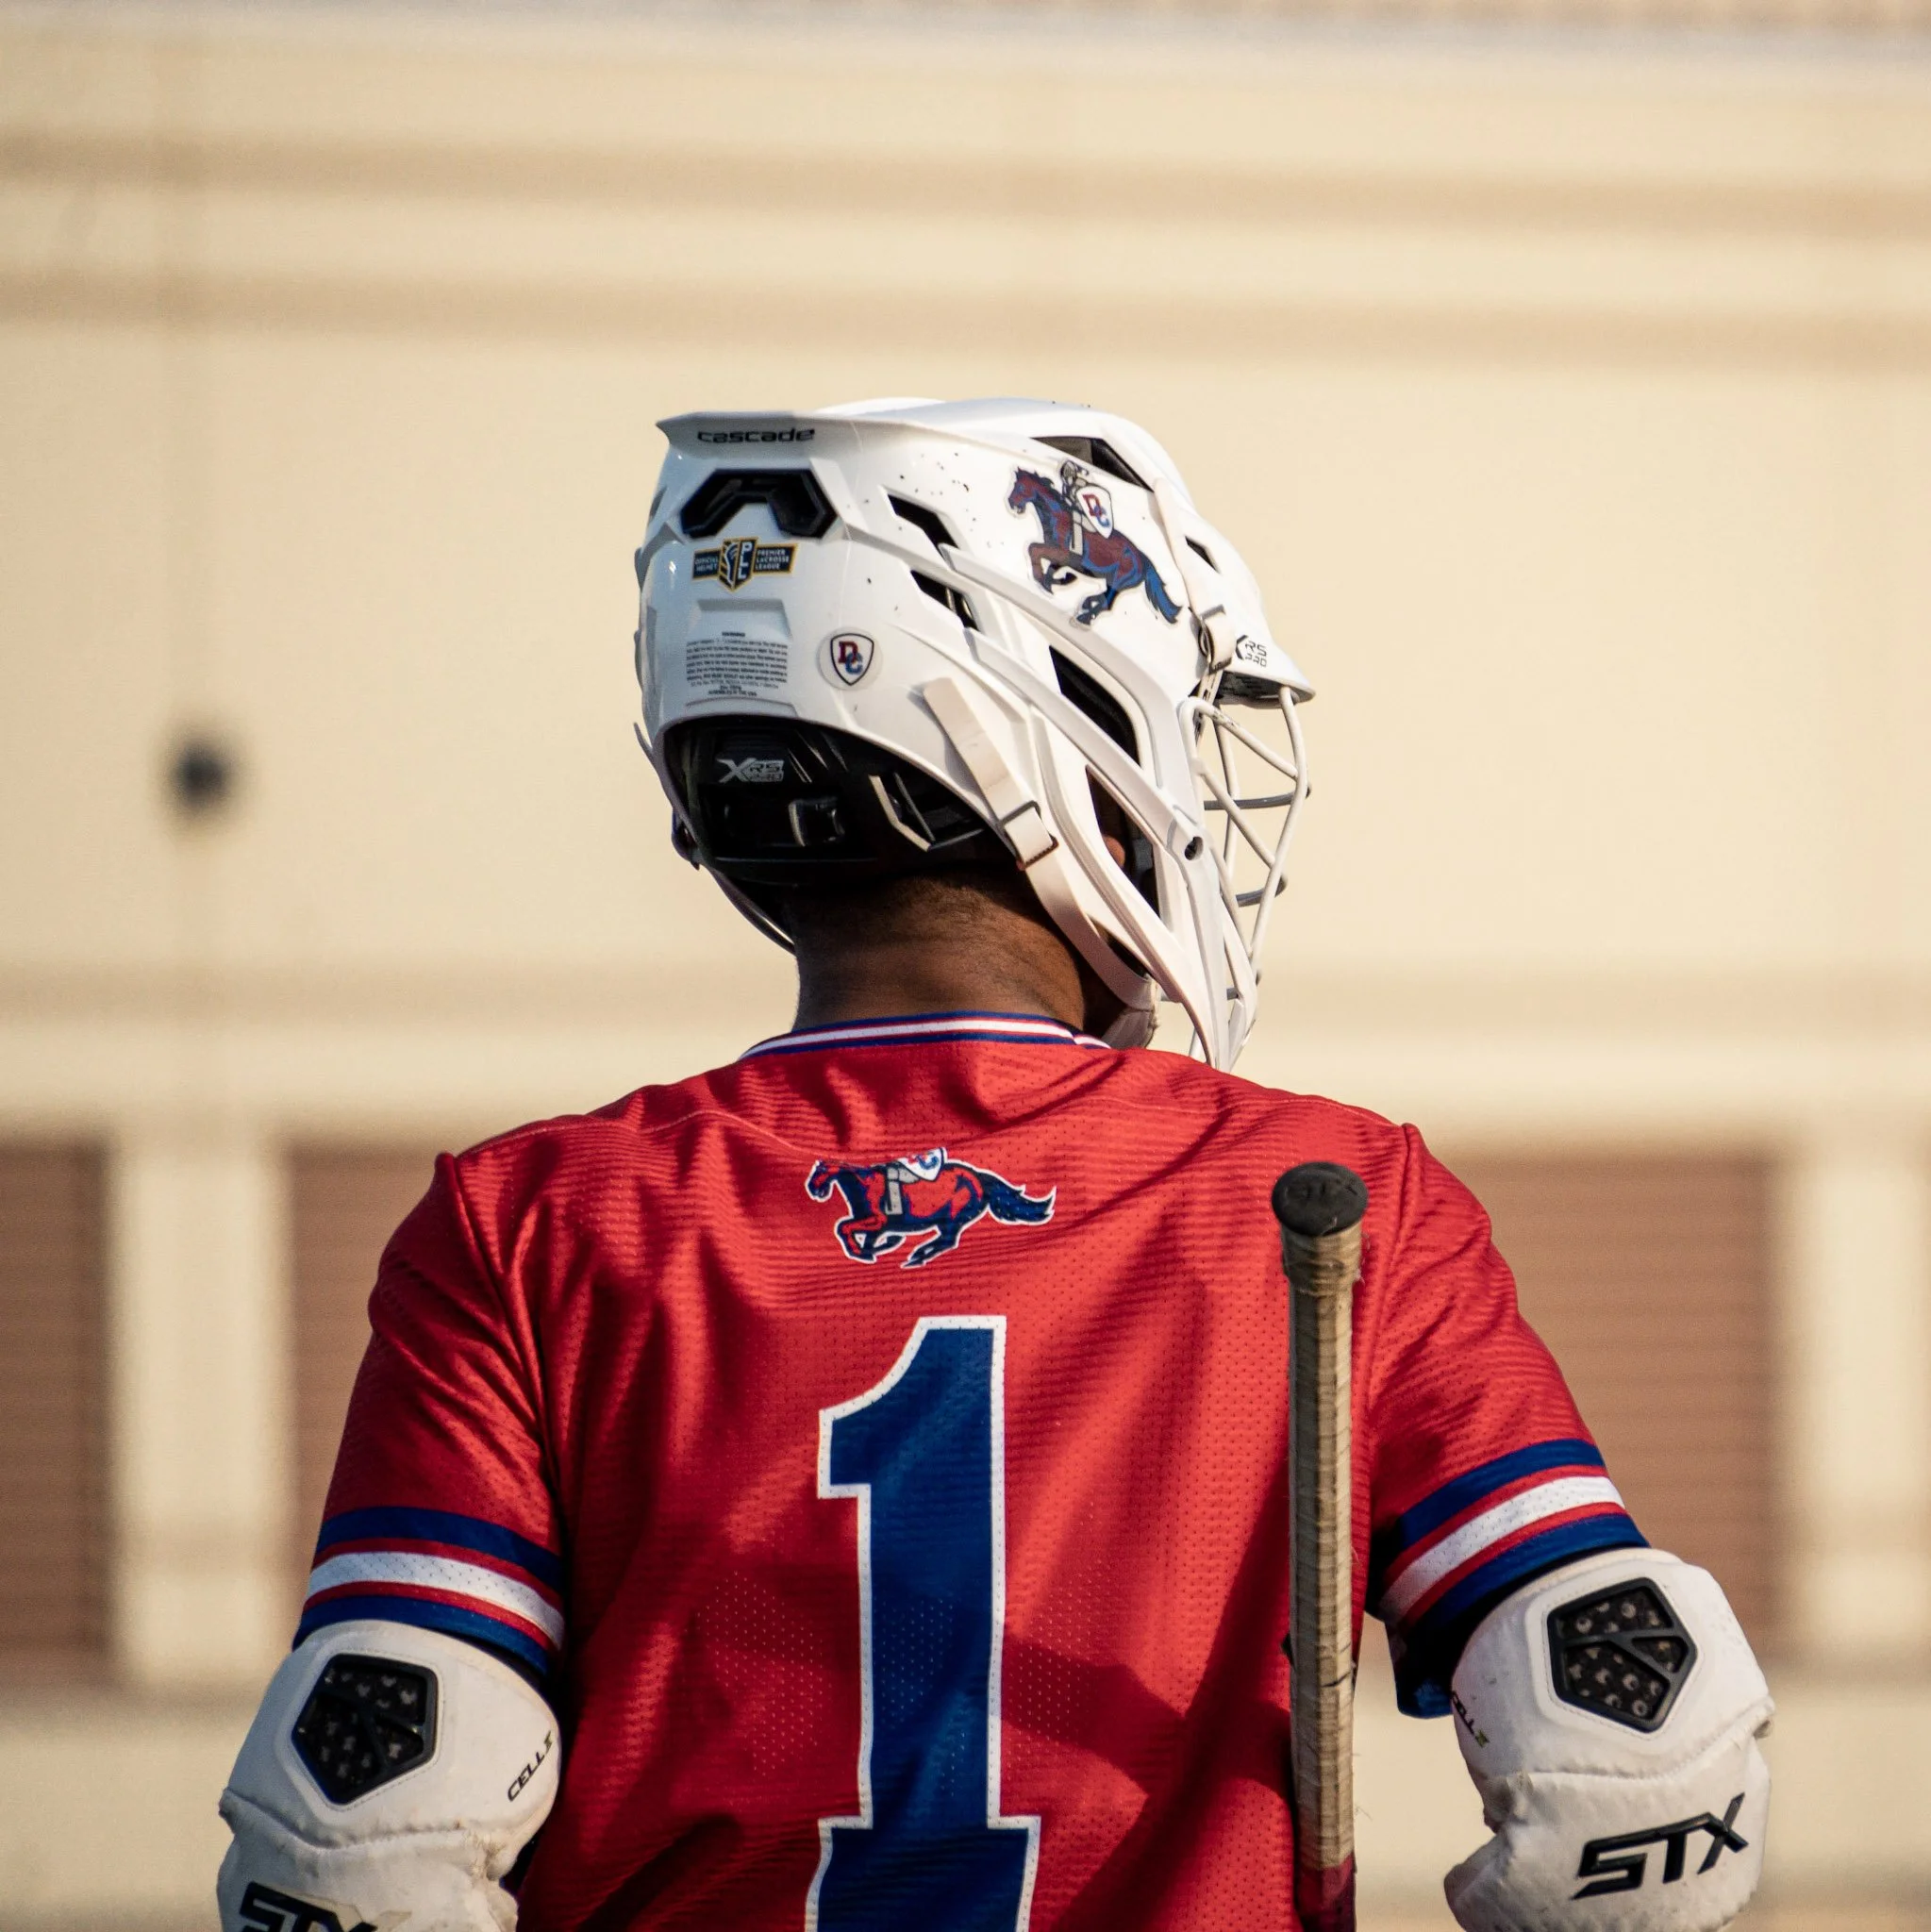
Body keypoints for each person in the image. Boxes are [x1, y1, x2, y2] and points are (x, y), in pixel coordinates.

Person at [217, 399, 1772, 1932]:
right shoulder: (1332, 1196)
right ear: (1055, 732)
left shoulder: (533, 1221)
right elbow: (1630, 1772)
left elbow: (362, 1847)